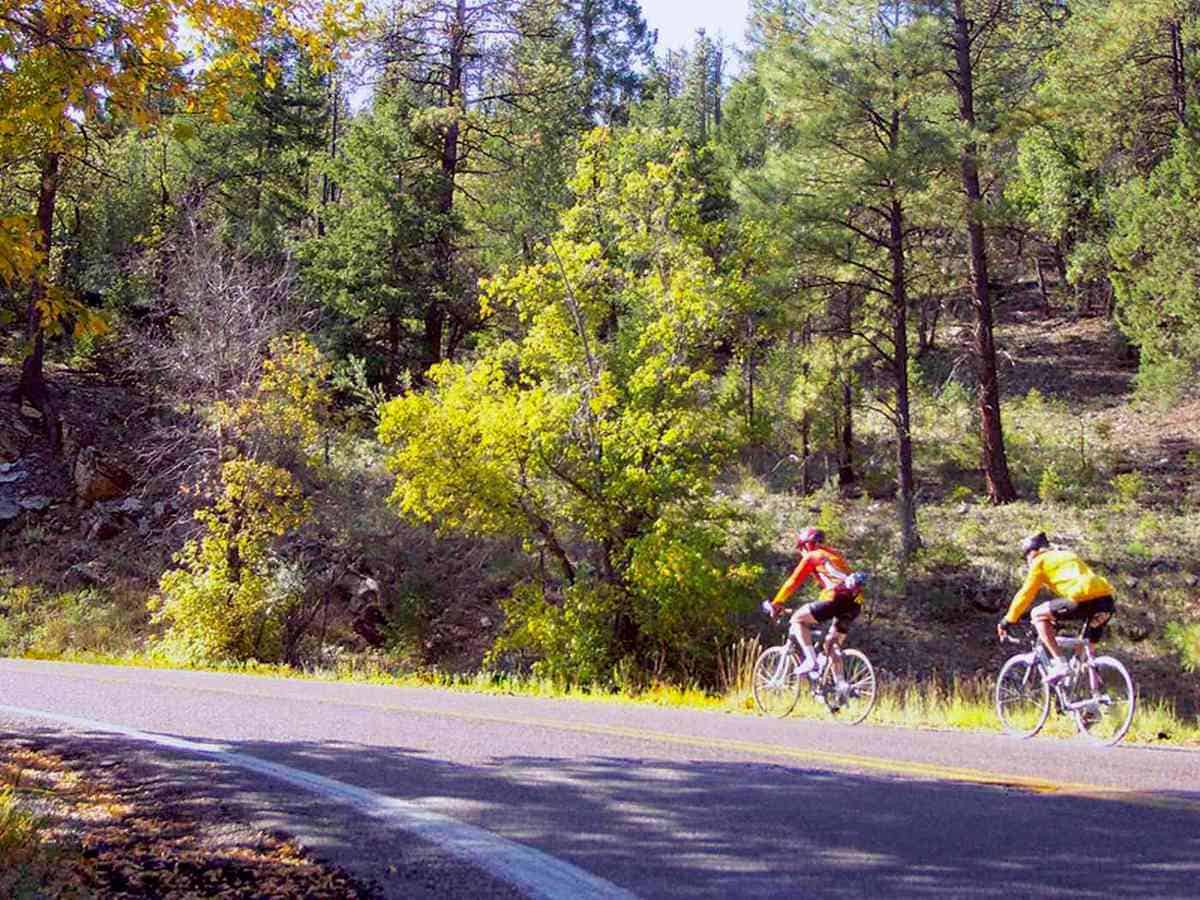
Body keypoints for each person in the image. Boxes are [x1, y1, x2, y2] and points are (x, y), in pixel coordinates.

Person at [996, 532, 1117, 683]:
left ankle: (1060, 664)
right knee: (1086, 652)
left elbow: (1026, 594)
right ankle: (1095, 696)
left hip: (1083, 598)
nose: (1027, 560)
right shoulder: (1066, 554)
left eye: (1026, 555)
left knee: (1037, 614)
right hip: (1106, 600)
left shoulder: (1039, 561)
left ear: (1033, 551)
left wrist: (1008, 620)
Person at [763, 526, 865, 681]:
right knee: (832, 646)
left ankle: (811, 661)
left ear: (806, 544)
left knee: (797, 619)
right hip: (855, 602)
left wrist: (777, 603)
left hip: (834, 598)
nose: (801, 552)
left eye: (801, 548)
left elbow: (793, 582)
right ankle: (841, 686)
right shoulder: (834, 554)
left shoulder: (812, 556)